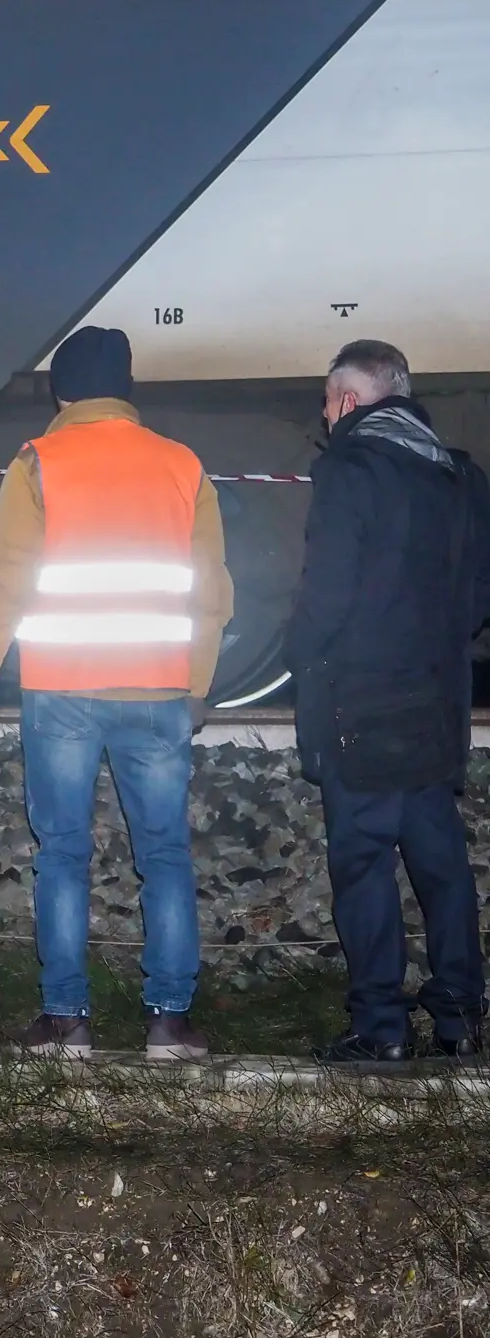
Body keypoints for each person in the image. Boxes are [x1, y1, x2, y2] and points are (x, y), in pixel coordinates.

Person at [0, 326, 233, 1061]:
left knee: (63, 852)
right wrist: (197, 685)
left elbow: (5, 586)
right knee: (164, 853)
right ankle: (169, 1021)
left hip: (63, 689)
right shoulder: (183, 465)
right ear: (125, 389)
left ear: (62, 393)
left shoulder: (37, 462)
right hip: (158, 687)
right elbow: (213, 595)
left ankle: (65, 1020)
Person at [286, 341, 490, 1066]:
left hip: (362, 705)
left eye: (325, 400)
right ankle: (462, 1016)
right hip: (436, 702)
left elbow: (327, 592)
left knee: (365, 862)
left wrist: (300, 655)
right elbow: (479, 593)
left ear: (347, 400)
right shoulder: (461, 475)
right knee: (440, 859)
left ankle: (381, 1026)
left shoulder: (349, 468)